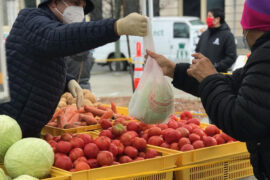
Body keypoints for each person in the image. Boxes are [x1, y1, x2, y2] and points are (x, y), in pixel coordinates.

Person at [146, 0, 270, 178]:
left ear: (253, 28)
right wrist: (175, 70)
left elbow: (242, 121)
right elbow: (235, 84)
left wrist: (210, 78)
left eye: (244, 28)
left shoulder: (265, 55)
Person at [0, 0, 147, 137]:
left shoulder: (51, 24)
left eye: (82, 7)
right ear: (53, 3)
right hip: (8, 121)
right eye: (75, 3)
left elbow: (39, 62)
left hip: (22, 126)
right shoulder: (31, 19)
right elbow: (55, 38)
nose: (79, 10)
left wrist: (67, 80)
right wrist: (115, 27)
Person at [196, 8, 237, 72]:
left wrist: (216, 67)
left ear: (217, 19)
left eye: (209, 16)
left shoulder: (227, 35)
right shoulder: (204, 34)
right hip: (201, 74)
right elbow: (197, 51)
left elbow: (231, 57)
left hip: (217, 76)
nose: (207, 19)